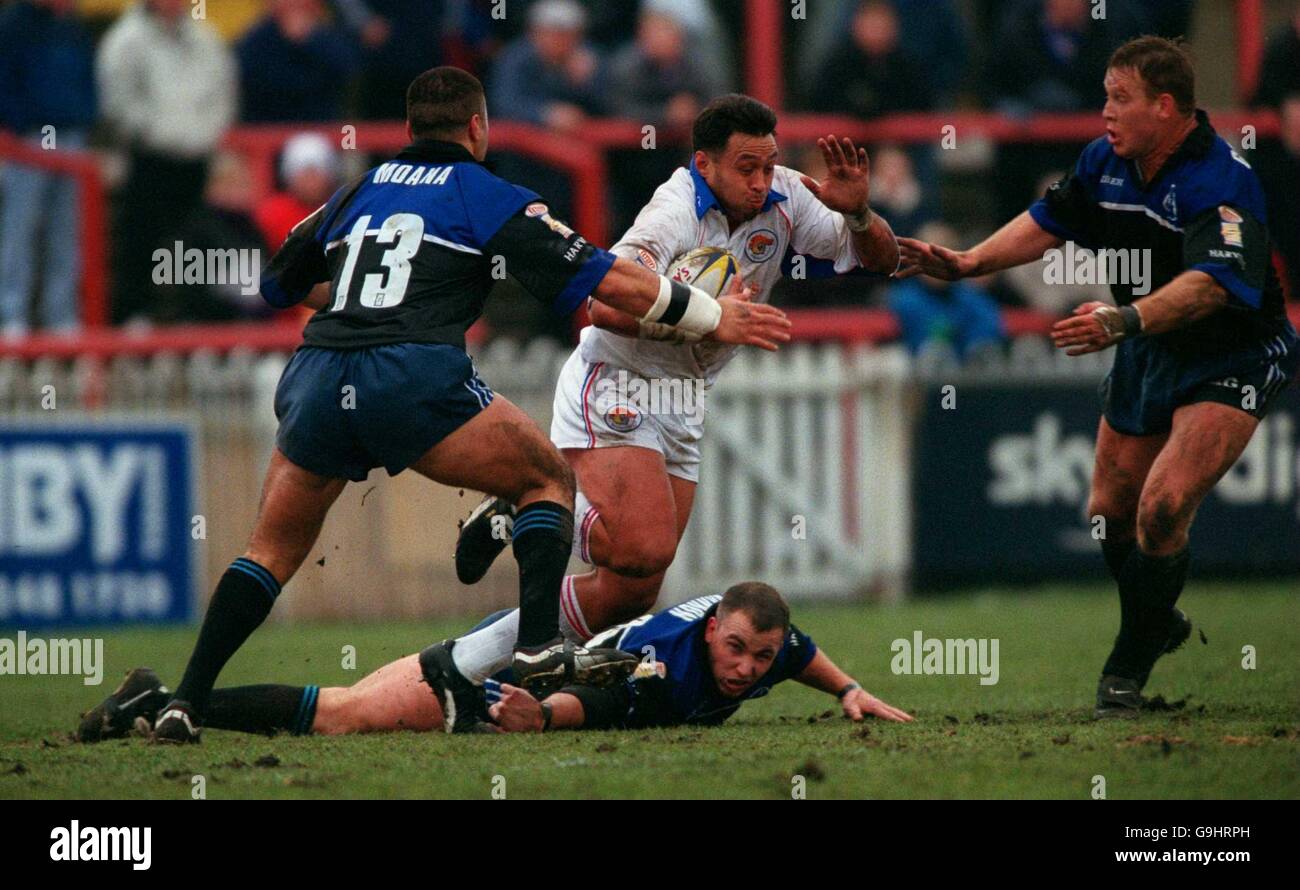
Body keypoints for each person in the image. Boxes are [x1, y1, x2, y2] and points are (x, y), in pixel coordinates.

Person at [151, 67, 791, 743]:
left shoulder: (354, 190)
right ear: (478, 128)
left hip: (316, 376)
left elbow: (282, 284)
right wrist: (706, 314)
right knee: (545, 477)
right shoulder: (483, 192)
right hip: (409, 375)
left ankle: (183, 701)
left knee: (270, 552)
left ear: (408, 130)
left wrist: (362, 303)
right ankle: (541, 649)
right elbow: (602, 278)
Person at [898, 37, 1298, 718]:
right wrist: (968, 264)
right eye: (1106, 96)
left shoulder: (1223, 177)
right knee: (1108, 513)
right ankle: (1156, 614)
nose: (1105, 111)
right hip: (1149, 345)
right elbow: (1048, 221)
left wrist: (1122, 320)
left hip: (1234, 352)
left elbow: (1210, 288)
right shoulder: (1104, 161)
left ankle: (1126, 669)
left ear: (1165, 107)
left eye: (1120, 98)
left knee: (1164, 507)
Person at [451, 94, 899, 689]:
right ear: (705, 164)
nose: (762, 182)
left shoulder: (788, 196)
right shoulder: (671, 211)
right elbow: (601, 306)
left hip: (685, 395)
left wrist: (862, 215)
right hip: (618, 380)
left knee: (631, 589)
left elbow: (882, 261)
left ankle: (472, 659)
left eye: (768, 165)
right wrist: (711, 318)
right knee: (644, 546)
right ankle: (532, 503)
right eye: (747, 168)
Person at [77, 582, 911, 741]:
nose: (745, 669)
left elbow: (799, 652)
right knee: (341, 715)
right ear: (708, 633)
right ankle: (160, 700)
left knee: (344, 707)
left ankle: (163, 698)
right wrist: (538, 716)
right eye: (734, 649)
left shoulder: (764, 648)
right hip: (492, 677)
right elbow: (609, 708)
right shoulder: (670, 665)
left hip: (516, 650)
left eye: (755, 657)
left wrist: (849, 690)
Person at [98, 0, 236, 324]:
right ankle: (134, 315)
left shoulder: (205, 39)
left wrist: (200, 136)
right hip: (147, 158)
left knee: (195, 238)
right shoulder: (126, 40)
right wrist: (162, 135)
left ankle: (188, 313)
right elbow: (118, 102)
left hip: (195, 159)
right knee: (140, 237)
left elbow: (223, 94)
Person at [0, 0, 97, 337]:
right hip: (27, 140)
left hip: (71, 137)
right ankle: (12, 315)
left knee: (67, 233)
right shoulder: (14, 25)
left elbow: (87, 78)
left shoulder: (73, 26)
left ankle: (62, 317)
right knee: (19, 229)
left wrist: (84, 119)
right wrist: (17, 125)